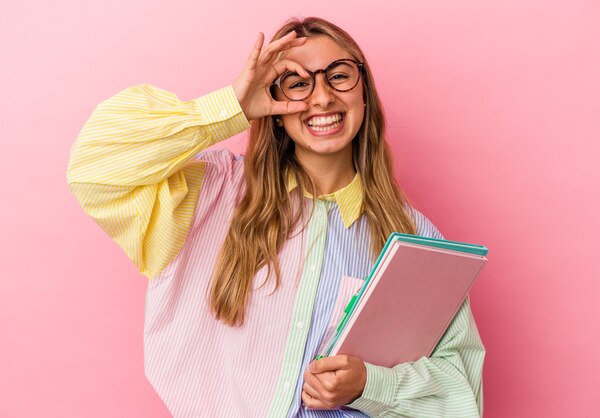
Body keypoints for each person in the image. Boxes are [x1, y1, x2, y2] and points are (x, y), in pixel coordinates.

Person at [66, 16, 485, 418]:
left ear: (363, 91)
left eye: (338, 75)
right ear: (276, 106)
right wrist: (233, 106)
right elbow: (94, 168)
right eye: (298, 84)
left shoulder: (412, 236)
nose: (322, 98)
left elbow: (462, 393)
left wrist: (369, 386)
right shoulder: (211, 193)